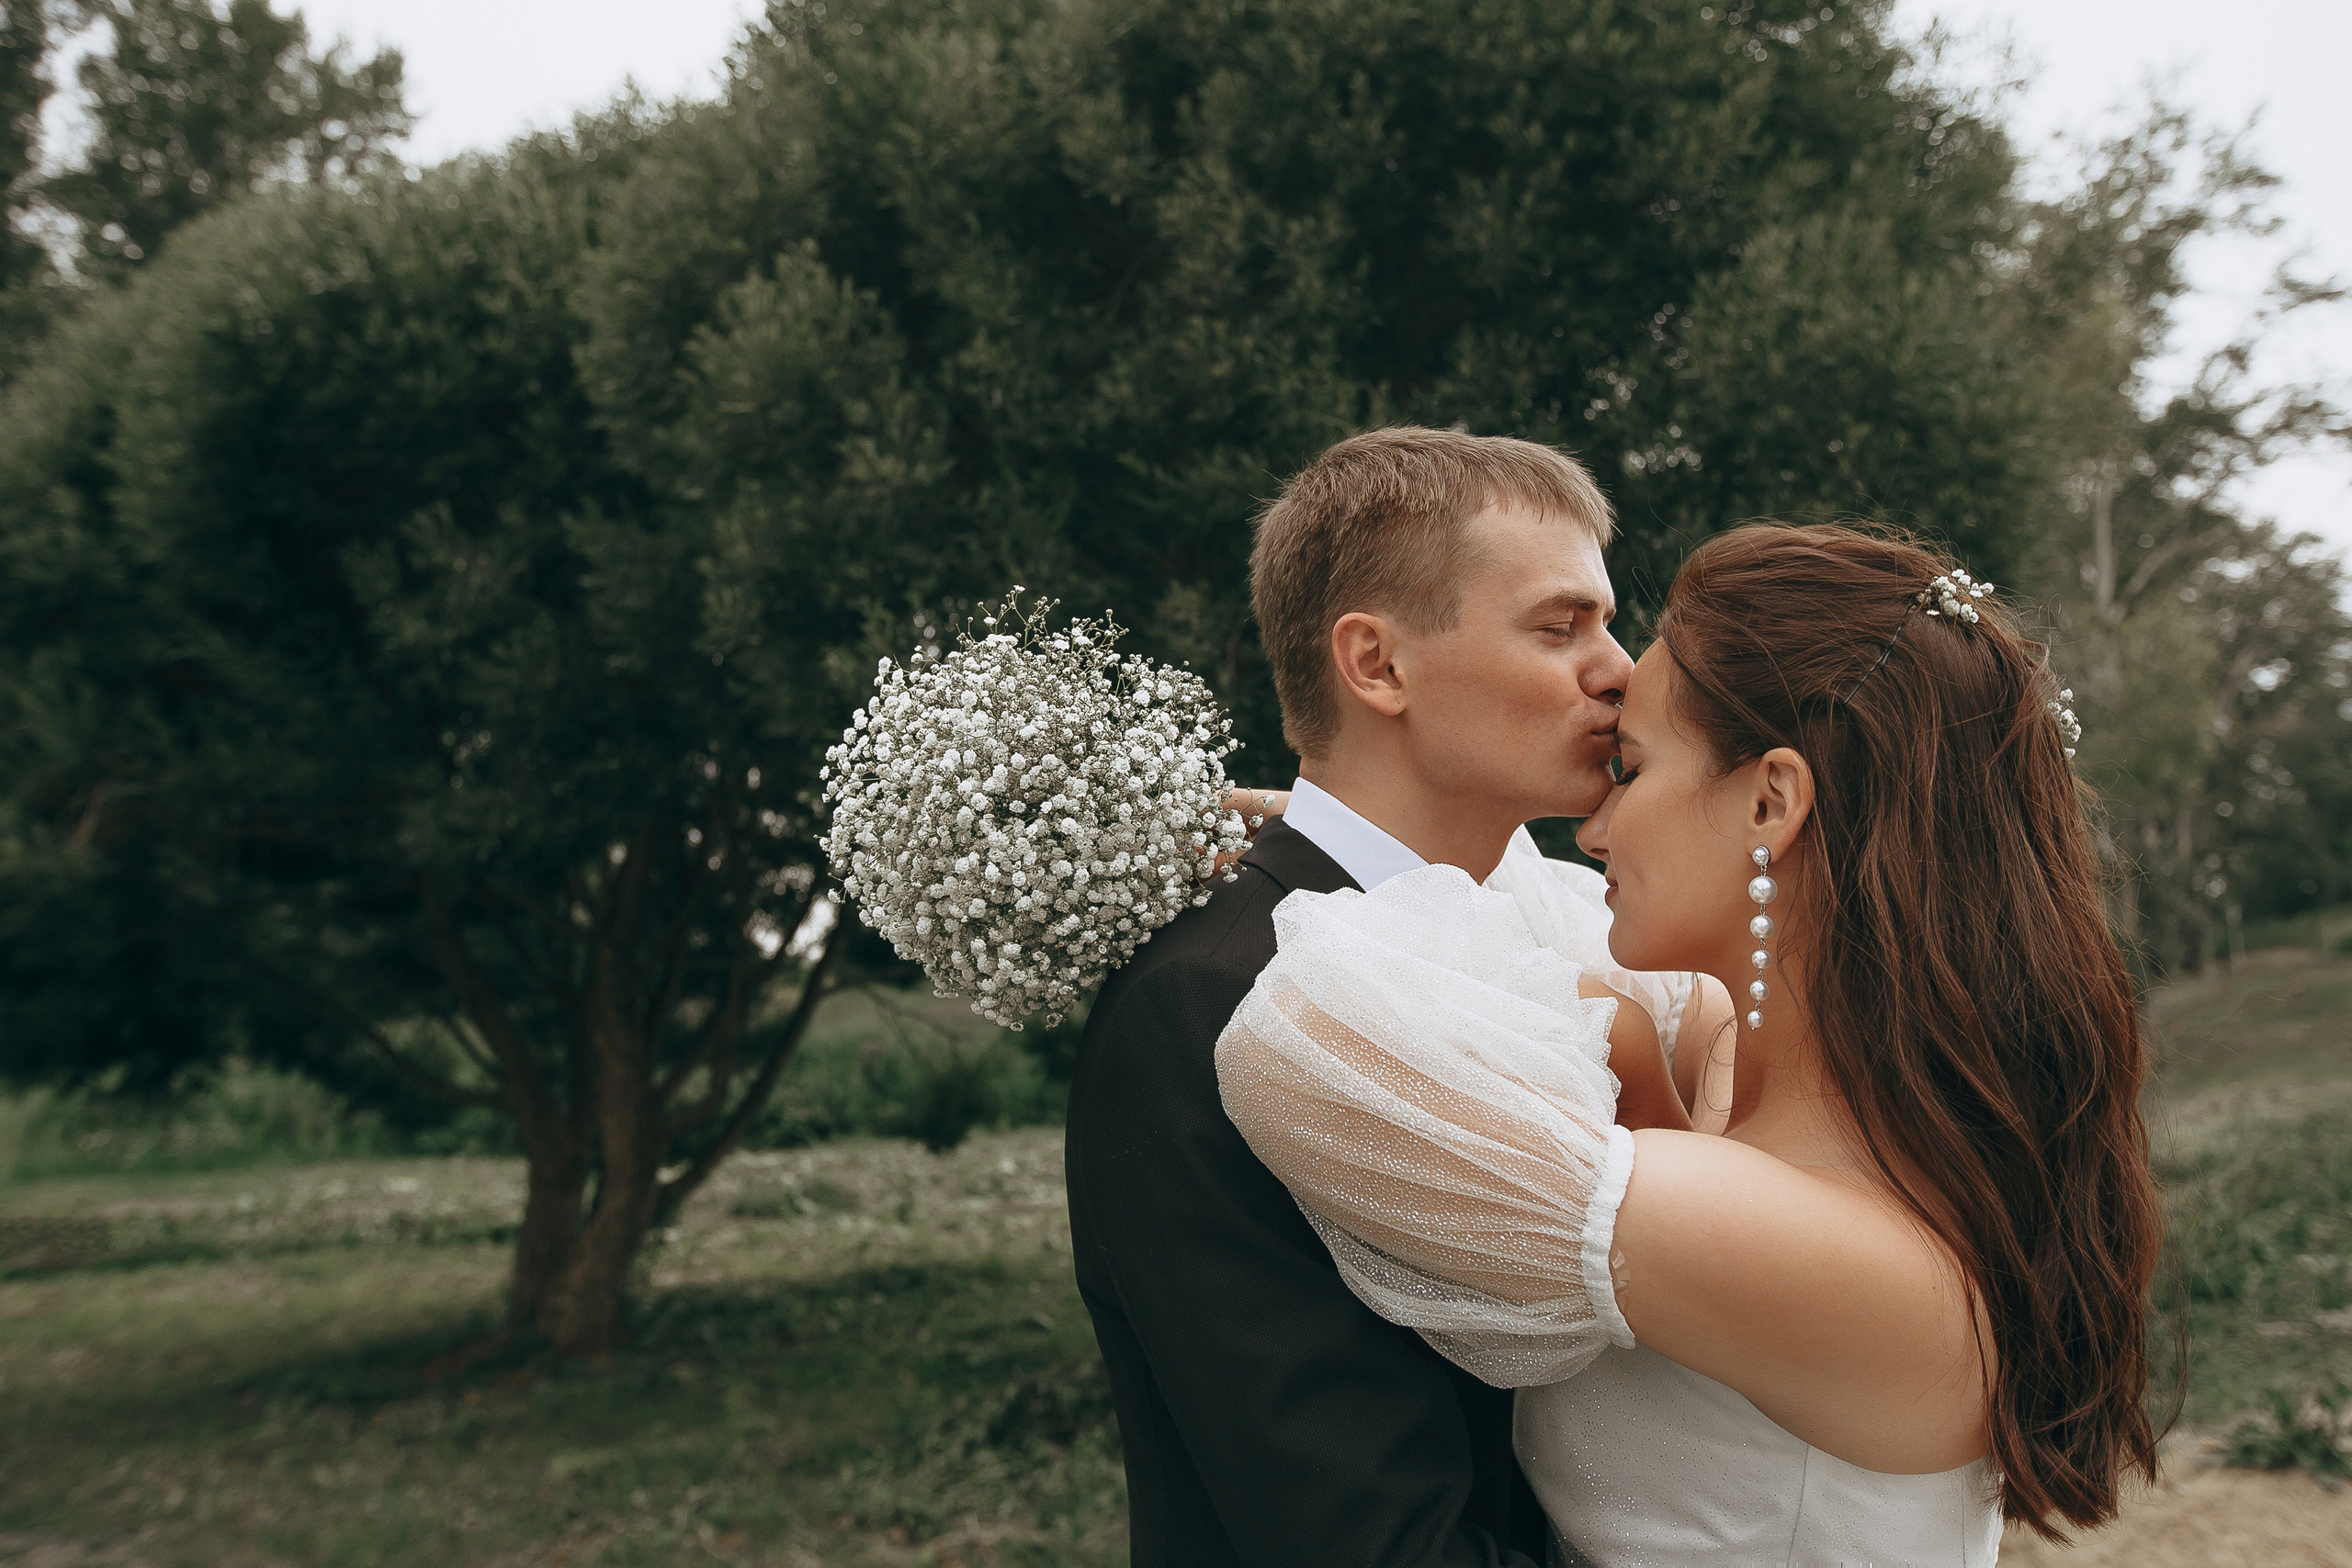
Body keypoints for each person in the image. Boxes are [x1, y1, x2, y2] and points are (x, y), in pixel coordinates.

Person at [1216, 523, 2166, 1563]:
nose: (1593, 826)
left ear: (1771, 802)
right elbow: (1540, 921)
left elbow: (1298, 1047)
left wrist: (1616, 1048)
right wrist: (1345, 831)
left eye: (1629, 767)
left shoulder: (1844, 1255)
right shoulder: (1753, 1071)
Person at [1065, 427, 1724, 1566]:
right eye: (1560, 626)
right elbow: (1366, 1542)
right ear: (1375, 665)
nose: (1619, 668)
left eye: (1607, 624)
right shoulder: (1212, 1000)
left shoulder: (1572, 922)